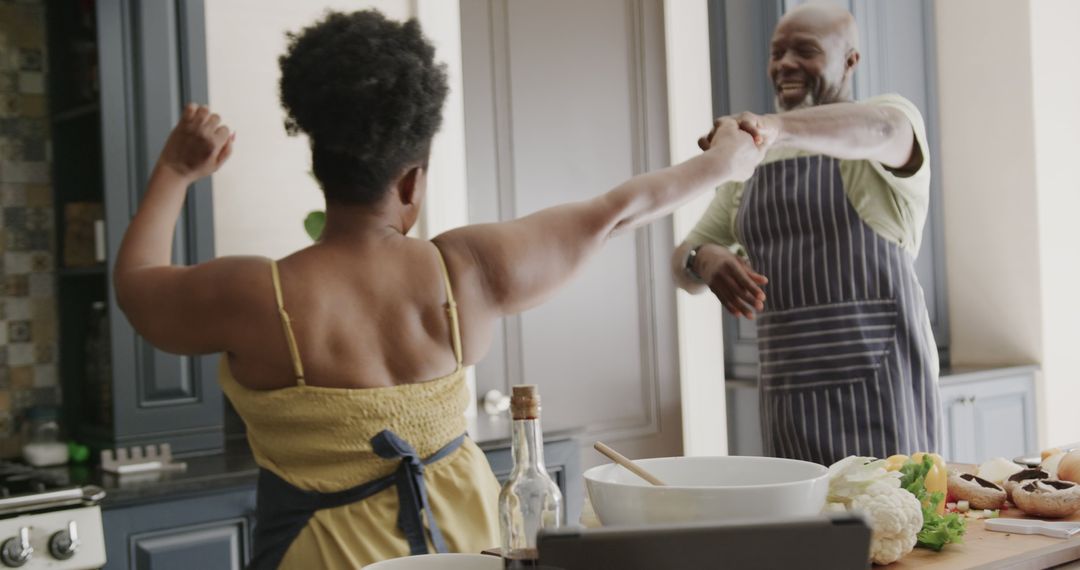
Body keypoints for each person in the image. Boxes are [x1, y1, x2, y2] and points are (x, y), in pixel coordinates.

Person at [113, 9, 765, 569]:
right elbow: (615, 211)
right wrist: (721, 163)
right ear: (411, 182)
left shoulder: (257, 296)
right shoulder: (468, 271)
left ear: (319, 161)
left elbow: (137, 286)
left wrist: (175, 171)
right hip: (466, 549)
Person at [671, 3, 939, 466]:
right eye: (777, 52)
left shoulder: (885, 123)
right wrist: (705, 260)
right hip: (788, 396)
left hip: (883, 387)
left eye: (806, 51)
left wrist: (774, 128)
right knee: (803, 533)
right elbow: (682, 262)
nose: (785, 63)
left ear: (850, 61)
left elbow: (879, 128)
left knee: (897, 528)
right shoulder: (750, 165)